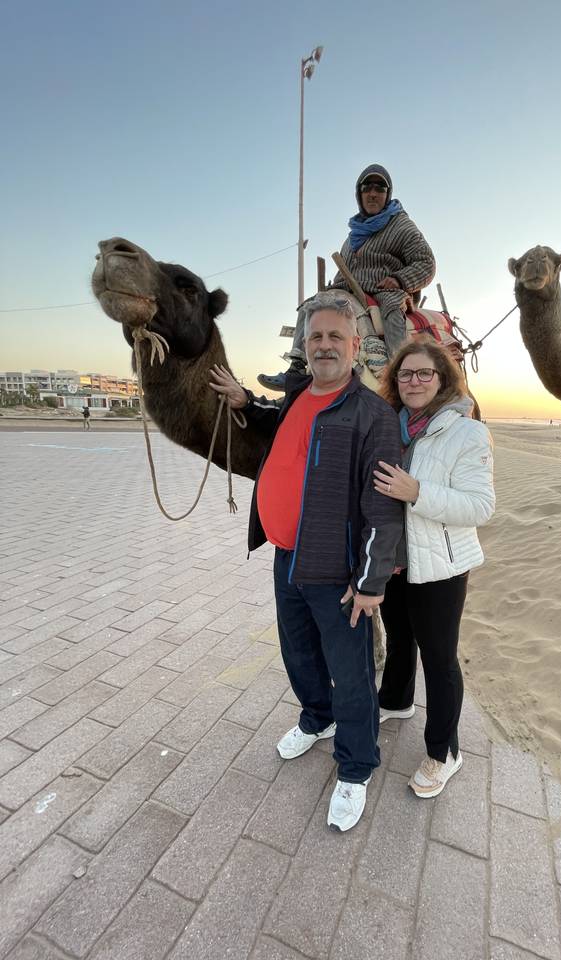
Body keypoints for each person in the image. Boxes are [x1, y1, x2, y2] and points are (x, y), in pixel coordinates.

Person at [209, 291, 403, 832]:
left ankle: (357, 765)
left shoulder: (372, 414)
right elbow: (278, 423)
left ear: (355, 345)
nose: (323, 346)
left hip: (339, 572)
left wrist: (369, 583)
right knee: (296, 650)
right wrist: (246, 401)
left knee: (353, 670)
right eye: (315, 337)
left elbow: (383, 510)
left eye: (334, 337)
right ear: (305, 345)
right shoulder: (298, 396)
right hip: (286, 555)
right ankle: (316, 717)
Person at [372, 338, 495, 798]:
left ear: (442, 379)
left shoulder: (467, 432)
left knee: (440, 660)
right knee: (401, 638)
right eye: (406, 374)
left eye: (425, 373)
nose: (415, 381)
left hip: (441, 567)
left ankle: (446, 751)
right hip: (397, 562)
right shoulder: (388, 426)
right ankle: (397, 701)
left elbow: (481, 506)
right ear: (395, 380)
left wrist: (417, 491)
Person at [259, 164, 436, 391]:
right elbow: (347, 269)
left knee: (392, 310)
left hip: (384, 290)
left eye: (380, 188)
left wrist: (400, 280)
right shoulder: (354, 234)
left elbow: (426, 263)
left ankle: (399, 373)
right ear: (359, 194)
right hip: (348, 290)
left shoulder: (401, 225)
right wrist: (330, 289)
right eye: (367, 188)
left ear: (387, 193)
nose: (373, 193)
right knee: (311, 305)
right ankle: (296, 368)